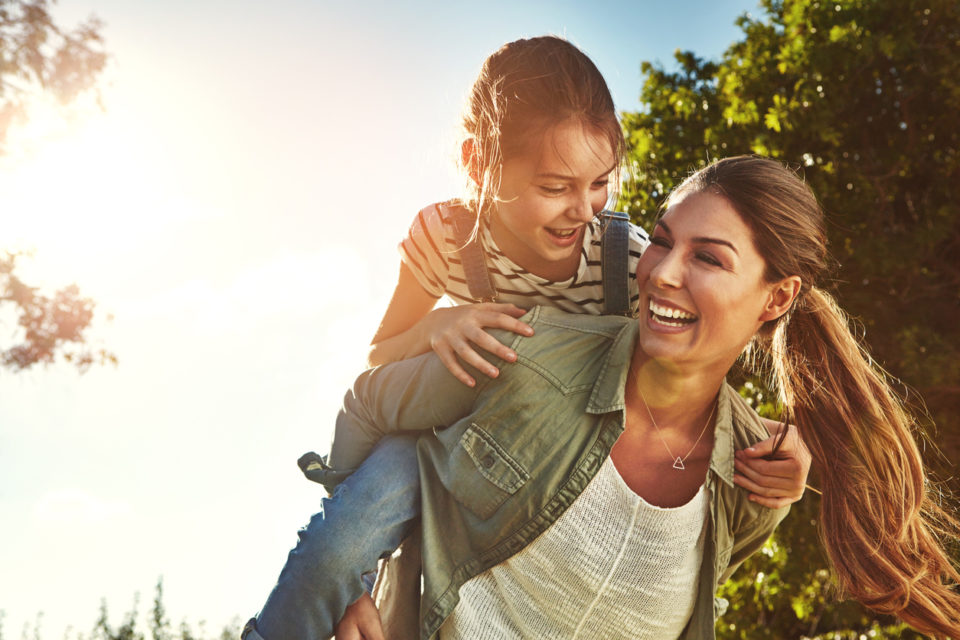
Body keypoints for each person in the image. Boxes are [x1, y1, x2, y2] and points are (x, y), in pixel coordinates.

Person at [243, 38, 810, 640]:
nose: (585, 210)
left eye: (600, 183)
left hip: (535, 447)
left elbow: (691, 366)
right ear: (477, 163)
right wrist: (436, 326)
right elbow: (383, 354)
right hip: (436, 431)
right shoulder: (445, 236)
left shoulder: (627, 260)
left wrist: (781, 456)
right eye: (555, 186)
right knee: (334, 551)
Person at [328, 156, 960, 639]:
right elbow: (367, 402)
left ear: (777, 298)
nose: (662, 272)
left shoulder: (754, 476)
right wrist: (346, 581)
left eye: (707, 258)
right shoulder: (526, 352)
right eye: (661, 240)